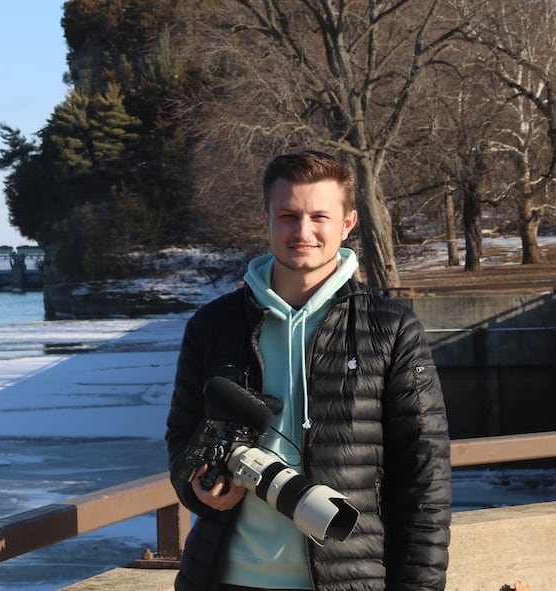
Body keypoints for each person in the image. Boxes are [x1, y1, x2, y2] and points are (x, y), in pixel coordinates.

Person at [165, 150, 451, 591]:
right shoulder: (212, 326)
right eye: (287, 215)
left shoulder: (392, 330)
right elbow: (182, 436)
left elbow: (424, 478)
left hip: (350, 580)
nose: (303, 231)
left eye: (319, 216)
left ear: (348, 222)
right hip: (227, 578)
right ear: (266, 219)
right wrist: (197, 490)